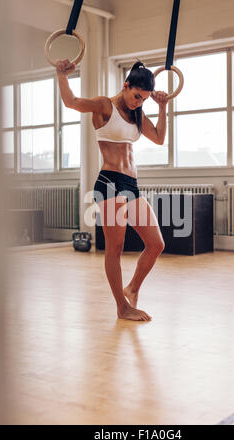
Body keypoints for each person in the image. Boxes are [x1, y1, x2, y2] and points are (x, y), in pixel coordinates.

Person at [56, 58, 167, 322]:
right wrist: (62, 74)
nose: (138, 102)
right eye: (137, 96)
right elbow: (71, 102)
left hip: (131, 185)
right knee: (114, 249)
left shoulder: (137, 113)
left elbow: (160, 138)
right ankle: (121, 307)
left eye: (144, 100)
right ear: (126, 86)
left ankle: (132, 289)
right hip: (109, 182)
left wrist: (162, 107)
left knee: (156, 244)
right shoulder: (105, 106)